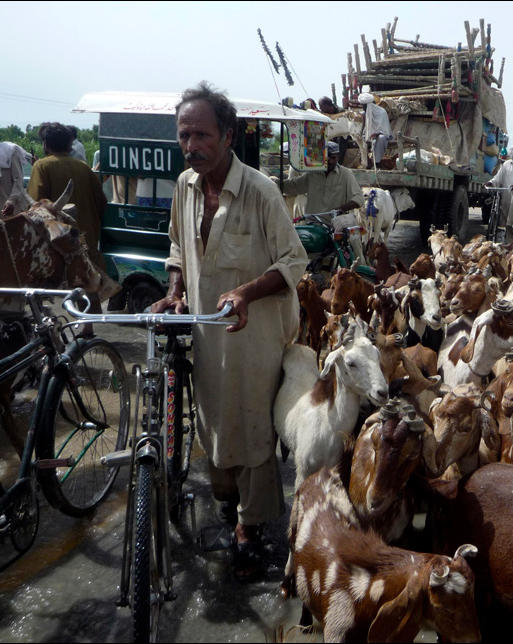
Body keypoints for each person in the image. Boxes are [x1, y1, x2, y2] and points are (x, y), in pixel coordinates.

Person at [150, 82, 307, 582]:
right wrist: (176, 291)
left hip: (254, 332)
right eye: (184, 135)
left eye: (201, 135)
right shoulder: (184, 186)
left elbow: (293, 262)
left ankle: (251, 526)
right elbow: (178, 249)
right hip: (206, 330)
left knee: (251, 424)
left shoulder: (260, 190)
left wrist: (245, 291)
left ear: (228, 135)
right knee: (212, 416)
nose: (191, 145)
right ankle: (227, 500)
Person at [28, 122, 108, 321]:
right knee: (85, 276)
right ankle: (89, 321)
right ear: (70, 144)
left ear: (46, 145)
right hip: (86, 233)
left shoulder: (42, 165)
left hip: (57, 236)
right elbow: (101, 201)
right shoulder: (83, 167)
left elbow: (36, 205)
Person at [280, 141, 363, 221]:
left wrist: (340, 209)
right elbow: (293, 186)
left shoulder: (346, 174)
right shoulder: (312, 174)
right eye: (327, 157)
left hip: (336, 225)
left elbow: (358, 199)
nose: (330, 161)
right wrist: (275, 184)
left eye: (333, 158)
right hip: (313, 224)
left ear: (338, 157)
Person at [359, 92, 392, 169]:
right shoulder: (365, 114)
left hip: (382, 135)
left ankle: (377, 163)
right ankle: (366, 161)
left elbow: (385, 130)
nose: (363, 108)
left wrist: (376, 134)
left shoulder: (382, 112)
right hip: (369, 136)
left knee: (381, 138)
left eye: (363, 106)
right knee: (361, 140)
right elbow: (365, 129)